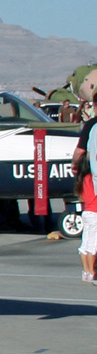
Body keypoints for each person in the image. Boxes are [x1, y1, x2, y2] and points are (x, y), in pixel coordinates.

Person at [76, 119, 97, 282]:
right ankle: (91, 271)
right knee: (93, 246)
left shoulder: (83, 180)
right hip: (95, 213)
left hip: (87, 211)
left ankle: (86, 271)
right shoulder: (93, 179)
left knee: (86, 244)